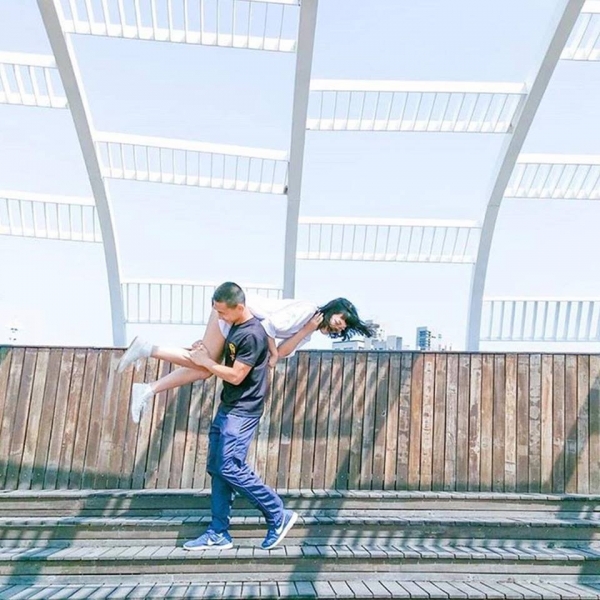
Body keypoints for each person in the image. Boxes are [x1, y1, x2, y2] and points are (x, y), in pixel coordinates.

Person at [164, 281, 297, 550]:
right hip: (228, 407)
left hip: (242, 411)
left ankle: (277, 512)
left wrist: (206, 363)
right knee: (217, 467)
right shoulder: (235, 327)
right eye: (216, 311)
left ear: (239, 307)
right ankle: (218, 533)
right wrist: (203, 352)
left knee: (229, 466)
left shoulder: (253, 334)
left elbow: (236, 375)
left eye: (222, 312)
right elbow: (224, 360)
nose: (219, 317)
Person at [117, 294, 373, 424]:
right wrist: (273, 354)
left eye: (344, 326)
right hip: (235, 311)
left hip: (241, 324)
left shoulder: (309, 327)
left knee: (204, 367)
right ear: (332, 309)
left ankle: (148, 384)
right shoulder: (306, 310)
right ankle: (146, 352)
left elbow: (283, 351)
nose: (340, 326)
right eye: (340, 319)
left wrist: (304, 332)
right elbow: (269, 327)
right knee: (204, 364)